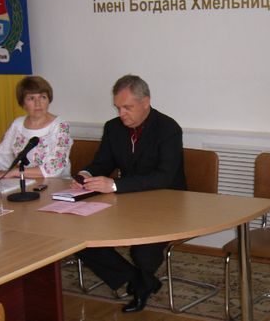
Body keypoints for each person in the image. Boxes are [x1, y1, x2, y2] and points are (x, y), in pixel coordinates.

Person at [72, 74, 186, 313]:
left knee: (143, 250)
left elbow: (164, 177)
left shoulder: (168, 128)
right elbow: (103, 162)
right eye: (118, 107)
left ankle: (141, 284)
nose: (121, 114)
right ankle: (139, 280)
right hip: (125, 203)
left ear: (146, 102)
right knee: (80, 239)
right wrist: (85, 174)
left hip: (165, 204)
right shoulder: (113, 128)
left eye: (127, 107)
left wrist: (114, 185)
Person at [0, 75, 72, 179]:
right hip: (25, 182)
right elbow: (2, 157)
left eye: (43, 97)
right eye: (31, 98)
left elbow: (55, 167)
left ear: (49, 100)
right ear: (23, 103)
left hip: (56, 183)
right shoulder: (17, 124)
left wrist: (15, 172)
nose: (38, 103)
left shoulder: (60, 125)